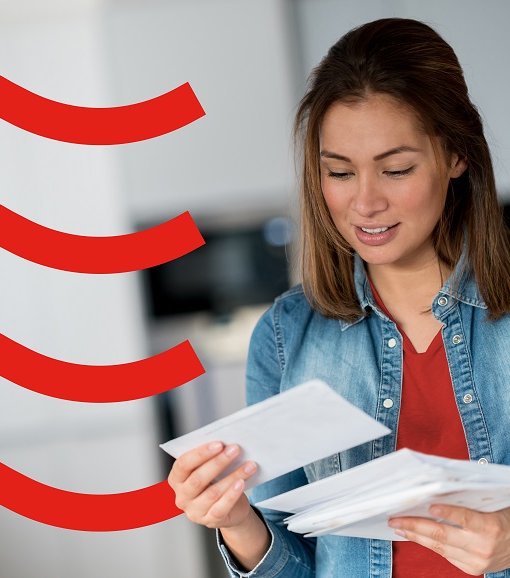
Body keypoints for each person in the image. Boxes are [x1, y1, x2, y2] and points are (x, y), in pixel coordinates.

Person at [168, 17, 510, 577]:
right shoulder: (285, 338)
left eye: (396, 168)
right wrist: (236, 522)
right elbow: (296, 564)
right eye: (340, 172)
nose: (365, 202)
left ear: (455, 155)